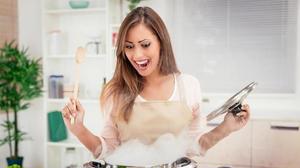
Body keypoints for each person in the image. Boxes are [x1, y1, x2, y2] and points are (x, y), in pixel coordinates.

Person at [61, 7, 250, 159]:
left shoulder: (188, 86)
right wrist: (78, 129)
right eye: (129, 47)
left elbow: (195, 146)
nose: (137, 55)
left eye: (145, 45)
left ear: (161, 42)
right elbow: (108, 149)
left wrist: (226, 128)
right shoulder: (116, 91)